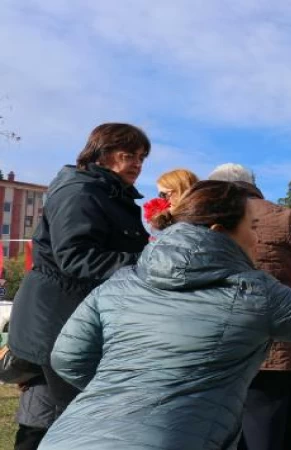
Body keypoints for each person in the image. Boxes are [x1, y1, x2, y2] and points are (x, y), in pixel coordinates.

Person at [37, 181, 291, 450]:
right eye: (250, 227)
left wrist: (124, 389)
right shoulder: (250, 292)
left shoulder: (123, 282)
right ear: (219, 232)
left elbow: (67, 359)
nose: (257, 237)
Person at [7, 123, 151, 449]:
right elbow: (77, 258)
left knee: (44, 415)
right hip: (58, 321)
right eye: (128, 154)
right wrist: (147, 263)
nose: (137, 164)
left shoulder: (105, 193)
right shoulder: (81, 193)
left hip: (64, 319)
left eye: (142, 157)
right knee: (79, 420)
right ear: (101, 153)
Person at [208, 164, 291, 450]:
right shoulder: (288, 216)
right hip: (281, 344)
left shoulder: (210, 216)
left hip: (224, 342)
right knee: (276, 432)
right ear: (252, 183)